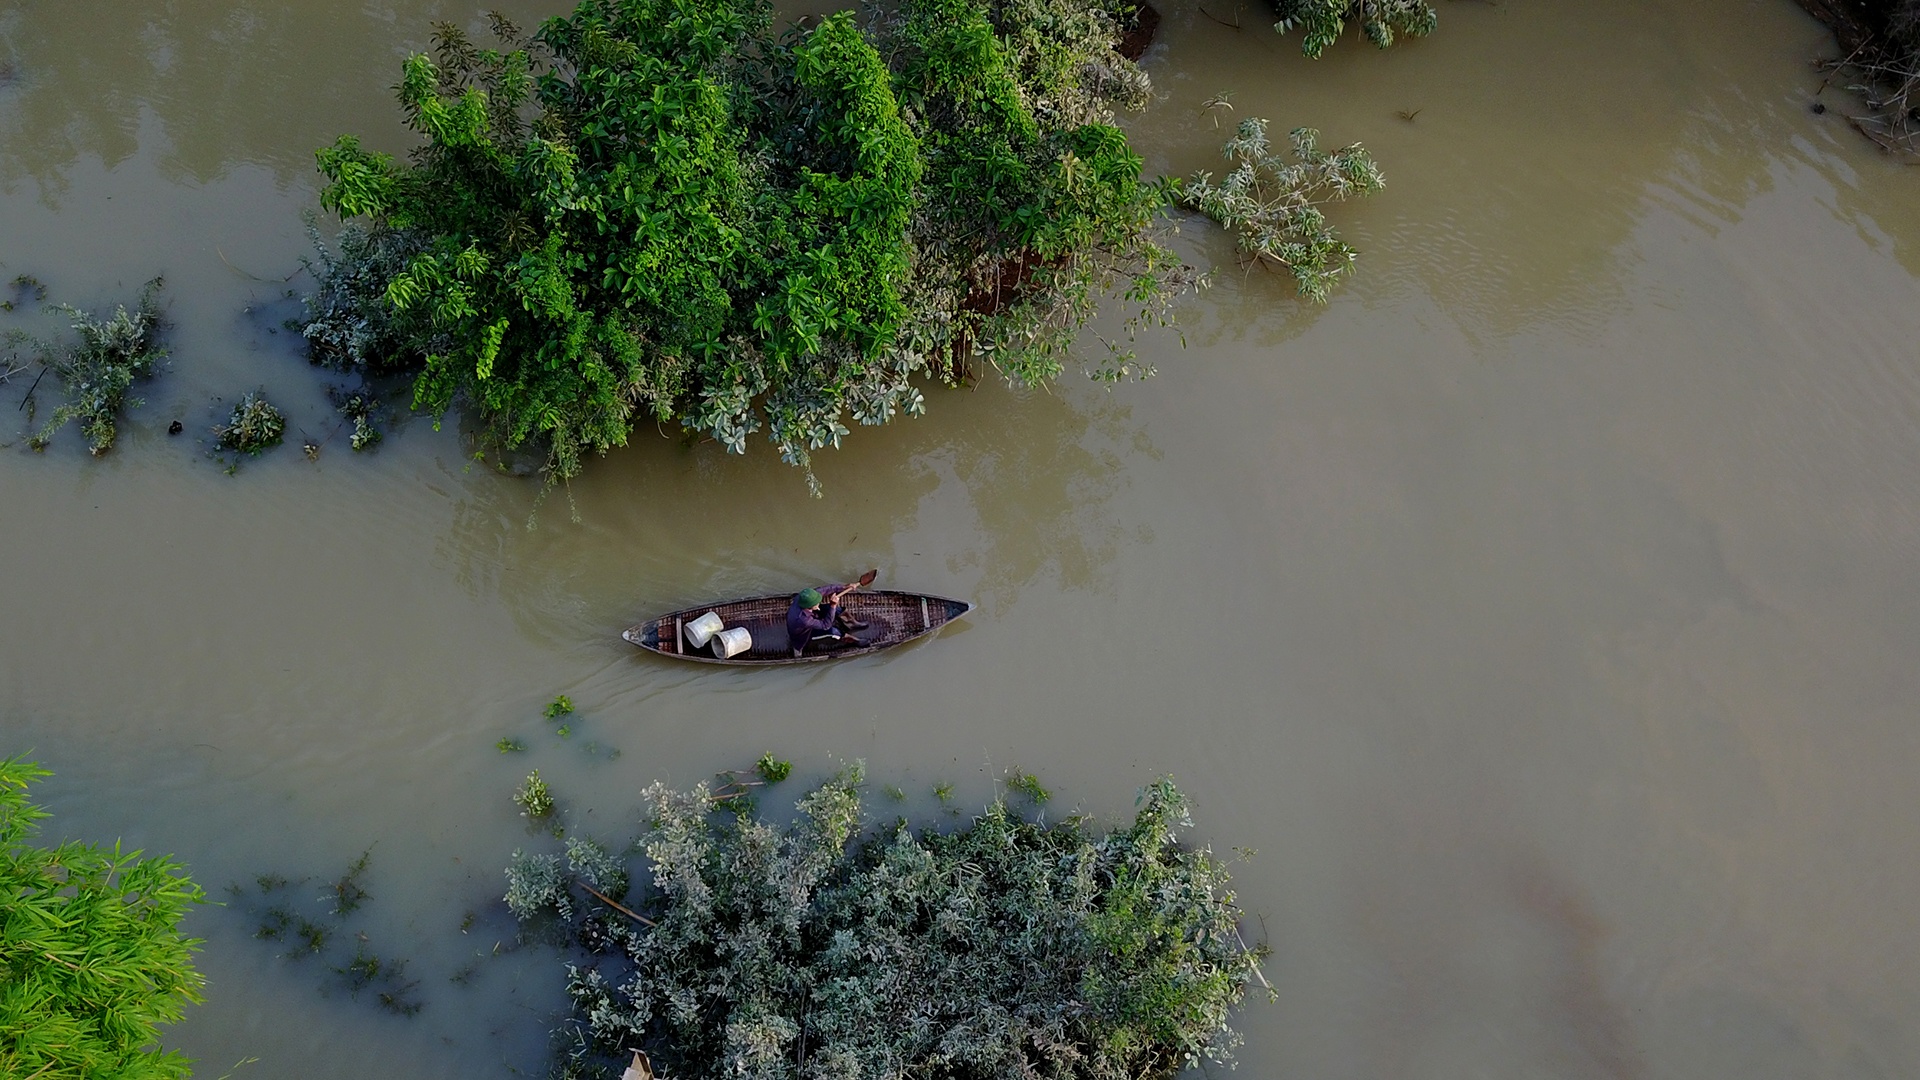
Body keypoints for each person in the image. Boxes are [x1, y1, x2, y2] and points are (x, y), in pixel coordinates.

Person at [787, 584, 850, 657]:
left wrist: (844, 587)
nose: (819, 603)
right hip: (801, 634)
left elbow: (823, 590)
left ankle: (852, 624)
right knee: (833, 631)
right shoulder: (804, 619)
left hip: (806, 619)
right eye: (816, 603)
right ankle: (797, 650)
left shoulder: (800, 598)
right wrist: (833, 605)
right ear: (810, 606)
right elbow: (826, 626)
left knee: (836, 610)